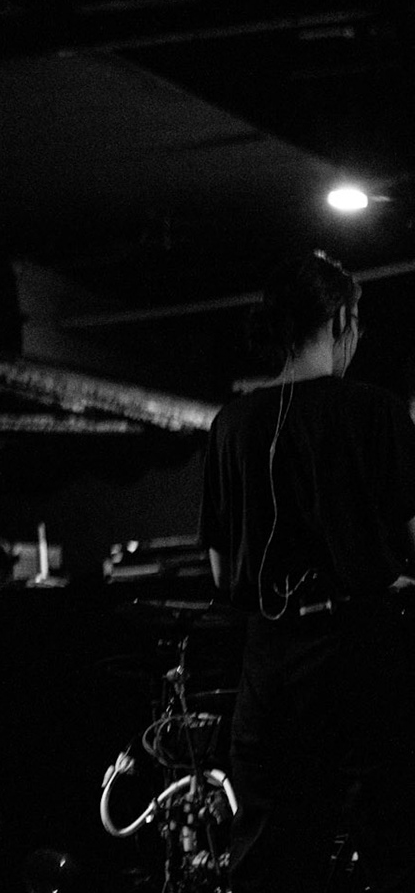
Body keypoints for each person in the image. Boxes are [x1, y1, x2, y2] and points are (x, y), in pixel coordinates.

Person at [199, 251, 415, 892]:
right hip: (366, 655)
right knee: (393, 848)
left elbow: (221, 572)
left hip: (270, 666)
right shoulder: (376, 411)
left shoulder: (230, 424)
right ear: (341, 319)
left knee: (271, 858)